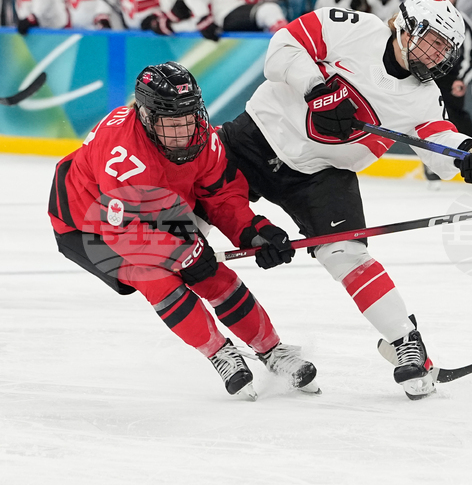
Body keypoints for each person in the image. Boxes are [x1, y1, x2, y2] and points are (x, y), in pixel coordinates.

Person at [216, 0, 472, 400]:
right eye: (432, 40)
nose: (437, 55)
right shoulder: (352, 28)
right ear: (403, 28)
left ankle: (405, 341)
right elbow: (281, 48)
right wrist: (316, 87)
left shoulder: (424, 95)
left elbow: (438, 142)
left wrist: (469, 156)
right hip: (257, 137)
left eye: (445, 49)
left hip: (321, 173)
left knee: (348, 254)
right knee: (190, 219)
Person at [47, 62, 313, 400]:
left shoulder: (203, 137)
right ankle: (220, 354)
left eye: (189, 117)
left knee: (211, 273)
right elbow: (124, 231)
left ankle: (273, 351)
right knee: (157, 278)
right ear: (145, 116)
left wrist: (253, 231)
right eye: (173, 122)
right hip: (88, 222)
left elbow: (221, 195)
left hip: (155, 204)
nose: (185, 130)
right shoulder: (121, 153)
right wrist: (182, 254)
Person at [433, 0, 472, 138]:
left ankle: (470, 155)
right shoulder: (422, 18)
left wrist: (462, 79)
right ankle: (431, 163)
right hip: (428, 79)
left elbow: (471, 56)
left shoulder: (463, 22)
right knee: (428, 122)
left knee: (456, 120)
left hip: (451, 82)